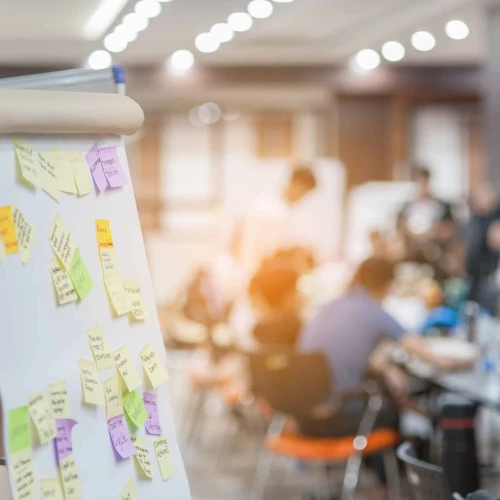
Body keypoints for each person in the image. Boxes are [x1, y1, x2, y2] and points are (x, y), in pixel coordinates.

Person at [298, 257, 473, 439]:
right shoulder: (375, 312)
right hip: (338, 416)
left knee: (391, 396)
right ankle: (398, 465)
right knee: (394, 413)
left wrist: (386, 369)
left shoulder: (328, 306)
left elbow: (342, 355)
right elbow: (437, 360)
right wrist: (473, 358)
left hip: (303, 414)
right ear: (389, 286)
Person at [230, 166, 317, 282]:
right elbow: (272, 255)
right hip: (263, 282)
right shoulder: (279, 213)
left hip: (243, 276)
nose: (303, 199)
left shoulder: (259, 203)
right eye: (304, 193)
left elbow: (234, 241)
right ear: (296, 185)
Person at [249, 260, 302, 347]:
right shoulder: (299, 330)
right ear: (286, 297)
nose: (299, 296)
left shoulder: (257, 332)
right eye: (295, 291)